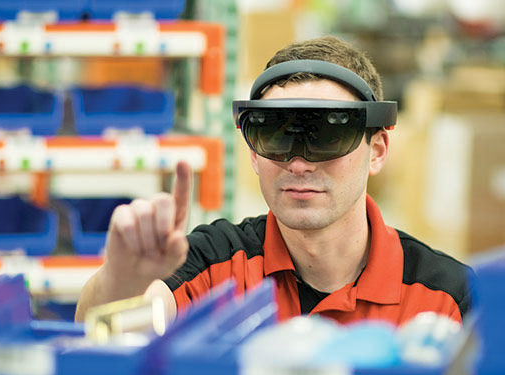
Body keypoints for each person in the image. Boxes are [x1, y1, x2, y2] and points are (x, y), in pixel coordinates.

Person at [75, 36, 473, 325]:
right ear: (252, 151)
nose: (298, 163)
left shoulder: (448, 296)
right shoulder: (215, 263)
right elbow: (104, 333)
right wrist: (123, 278)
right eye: (275, 134)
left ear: (379, 150)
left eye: (329, 134)